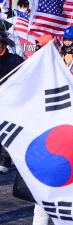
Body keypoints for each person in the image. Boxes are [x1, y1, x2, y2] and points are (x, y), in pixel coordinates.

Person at [0, 31, 23, 174]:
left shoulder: (16, 60)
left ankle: (4, 161)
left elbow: (25, 78)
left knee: (5, 131)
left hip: (10, 102)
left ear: (3, 44)